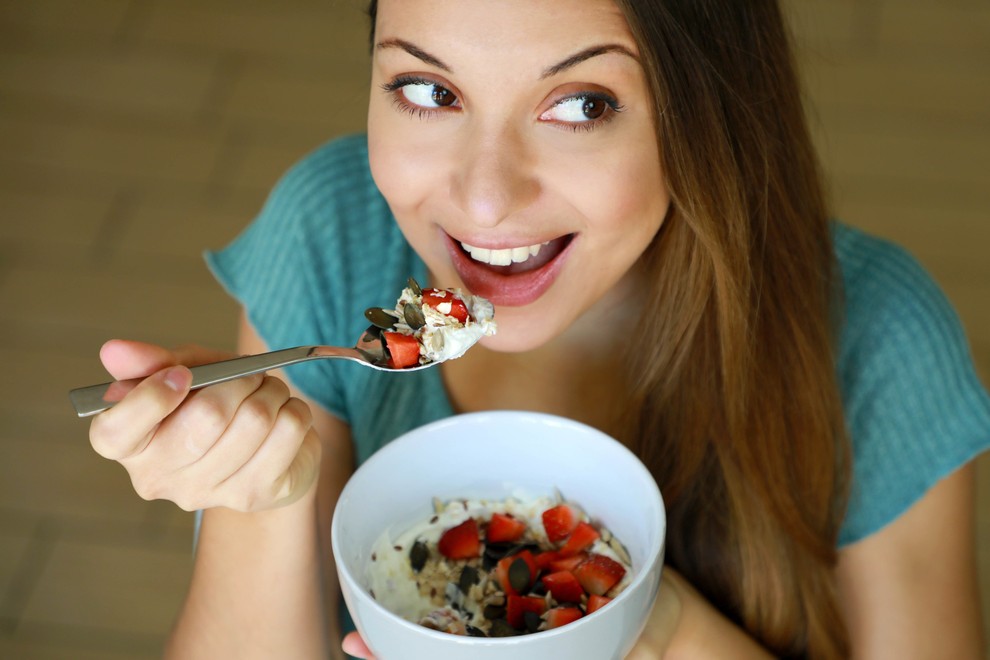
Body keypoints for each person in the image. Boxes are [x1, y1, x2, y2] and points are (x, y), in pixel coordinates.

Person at [87, 0, 989, 657]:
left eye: (583, 105)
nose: (484, 198)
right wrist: (269, 498)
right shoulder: (331, 232)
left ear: (708, 115)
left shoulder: (881, 339)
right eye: (427, 89)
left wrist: (653, 630)